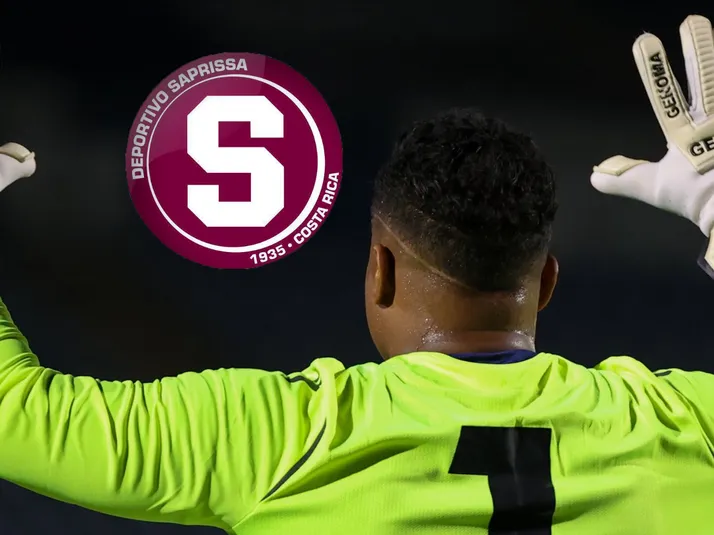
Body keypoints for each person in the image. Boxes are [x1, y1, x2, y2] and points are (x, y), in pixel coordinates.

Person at [1, 14, 714, 535]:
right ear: (548, 282)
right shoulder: (680, 425)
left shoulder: (277, 438)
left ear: (380, 272)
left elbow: (18, 417)